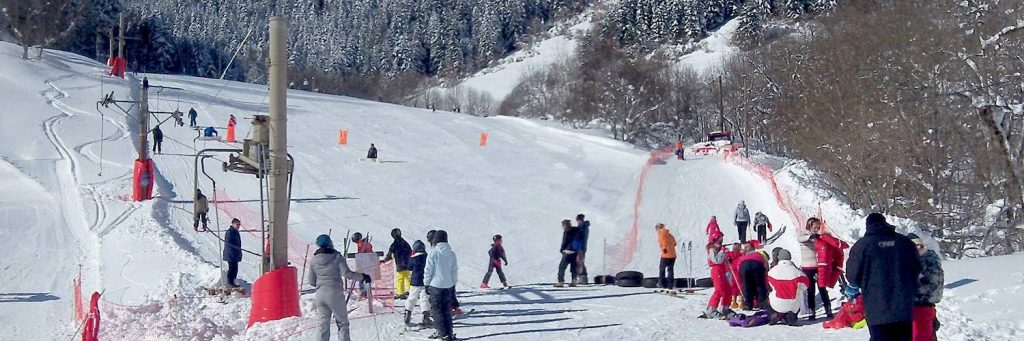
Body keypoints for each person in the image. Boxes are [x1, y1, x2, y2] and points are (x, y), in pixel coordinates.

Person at [847, 213, 922, 341]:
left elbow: (852, 276)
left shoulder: (862, 246)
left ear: (868, 227)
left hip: (876, 307)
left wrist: (866, 283)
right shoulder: (904, 242)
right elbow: (917, 268)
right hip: (903, 306)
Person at [308, 234, 371, 341]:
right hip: (335, 294)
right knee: (342, 324)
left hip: (320, 295)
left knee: (323, 327)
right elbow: (347, 274)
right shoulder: (337, 257)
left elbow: (311, 281)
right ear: (330, 243)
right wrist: (363, 276)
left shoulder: (314, 260)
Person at [798, 217, 848, 320]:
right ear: (809, 226)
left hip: (819, 267)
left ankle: (828, 311)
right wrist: (812, 236)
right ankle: (812, 312)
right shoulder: (803, 235)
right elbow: (800, 239)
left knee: (822, 289)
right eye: (815, 227)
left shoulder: (819, 238)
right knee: (810, 291)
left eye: (818, 228)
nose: (816, 229)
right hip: (807, 268)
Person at [424, 230, 458, 341]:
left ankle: (442, 334)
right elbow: (454, 270)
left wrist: (426, 283)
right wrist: (453, 284)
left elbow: (428, 270)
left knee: (437, 310)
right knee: (447, 310)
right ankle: (449, 333)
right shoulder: (452, 253)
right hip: (448, 285)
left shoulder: (433, 252)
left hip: (436, 285)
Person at [909, 233, 943, 341]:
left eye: (919, 245)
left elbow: (932, 285)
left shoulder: (928, 260)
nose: (917, 248)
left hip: (921, 307)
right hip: (923, 307)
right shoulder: (928, 258)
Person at [766, 248, 808, 326]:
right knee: (798, 296)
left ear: (779, 258)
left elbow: (770, 286)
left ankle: (775, 314)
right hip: (793, 305)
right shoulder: (798, 273)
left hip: (776, 303)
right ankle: (791, 317)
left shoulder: (772, 272)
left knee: (770, 296)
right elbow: (805, 286)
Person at [405, 240, 432, 327]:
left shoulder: (413, 258)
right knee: (424, 298)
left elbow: (409, 267)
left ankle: (408, 312)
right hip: (425, 281)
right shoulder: (427, 257)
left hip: (415, 281)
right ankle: (426, 316)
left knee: (412, 297)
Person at [704, 237, 733, 319]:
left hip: (722, 271)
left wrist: (728, 259)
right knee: (719, 290)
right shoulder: (711, 250)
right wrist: (722, 252)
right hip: (717, 271)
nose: (720, 244)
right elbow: (717, 260)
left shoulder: (718, 250)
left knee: (727, 289)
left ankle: (725, 308)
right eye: (719, 242)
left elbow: (722, 259)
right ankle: (711, 309)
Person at [383, 228, 413, 299]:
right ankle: (412, 291)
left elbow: (389, 254)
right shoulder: (405, 243)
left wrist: (385, 260)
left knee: (400, 278)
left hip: (399, 264)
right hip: (407, 263)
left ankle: (400, 292)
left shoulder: (394, 244)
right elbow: (410, 251)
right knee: (407, 277)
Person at [556, 219, 580, 287]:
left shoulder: (567, 232)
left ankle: (561, 281)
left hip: (568, 252)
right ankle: (574, 281)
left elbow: (565, 242)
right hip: (576, 251)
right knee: (574, 267)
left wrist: (562, 250)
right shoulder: (577, 230)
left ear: (565, 225)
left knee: (562, 267)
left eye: (563, 225)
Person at [351, 232, 374, 298]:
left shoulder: (361, 244)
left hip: (364, 263)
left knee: (361, 277)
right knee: (367, 277)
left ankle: (363, 292)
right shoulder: (366, 243)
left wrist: (359, 255)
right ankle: (367, 291)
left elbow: (362, 252)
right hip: (369, 262)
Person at [656, 223, 677, 289]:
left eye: (656, 227)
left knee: (662, 269)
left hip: (665, 254)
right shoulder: (669, 234)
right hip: (673, 255)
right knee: (670, 270)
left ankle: (661, 284)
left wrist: (664, 249)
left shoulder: (661, 233)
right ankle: (670, 285)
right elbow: (674, 243)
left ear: (659, 227)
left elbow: (663, 241)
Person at [223, 218, 242, 287]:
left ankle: (233, 281)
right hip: (231, 254)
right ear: (233, 224)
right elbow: (229, 243)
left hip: (235, 254)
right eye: (237, 224)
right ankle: (230, 282)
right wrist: (234, 250)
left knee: (235, 269)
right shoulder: (230, 232)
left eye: (239, 224)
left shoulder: (236, 232)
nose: (238, 226)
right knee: (232, 269)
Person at [575, 214, 590, 284]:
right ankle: (583, 277)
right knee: (580, 261)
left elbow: (578, 237)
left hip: (580, 247)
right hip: (581, 246)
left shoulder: (582, 226)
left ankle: (582, 277)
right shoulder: (583, 226)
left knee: (579, 262)